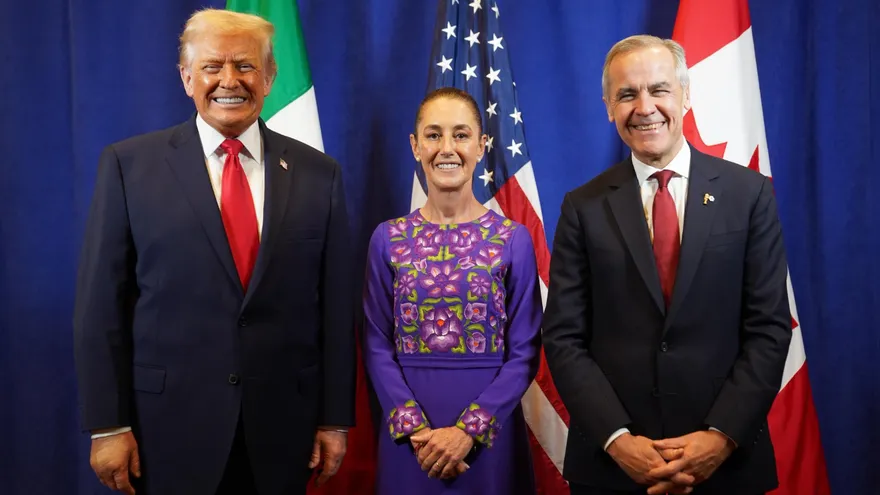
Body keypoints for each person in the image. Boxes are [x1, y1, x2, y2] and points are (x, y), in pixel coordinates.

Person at [73, 9, 355, 495]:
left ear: (269, 77)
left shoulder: (318, 174)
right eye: (212, 66)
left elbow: (334, 307)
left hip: (282, 431)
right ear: (186, 77)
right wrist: (108, 425)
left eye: (245, 66)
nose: (230, 80)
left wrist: (334, 419)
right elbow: (101, 307)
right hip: (165, 432)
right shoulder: (128, 166)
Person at [542, 35, 792, 495]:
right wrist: (618, 442)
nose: (644, 107)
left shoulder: (749, 195)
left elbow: (770, 329)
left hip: (726, 465)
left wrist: (719, 438)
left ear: (685, 95)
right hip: (612, 468)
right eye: (626, 94)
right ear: (608, 106)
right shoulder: (582, 207)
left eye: (659, 89)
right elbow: (563, 338)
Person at [362, 87, 543, 494]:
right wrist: (414, 428)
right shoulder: (387, 239)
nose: (447, 148)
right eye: (433, 134)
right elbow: (375, 343)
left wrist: (469, 431)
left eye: (461, 135)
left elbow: (526, 351)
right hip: (410, 439)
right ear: (415, 146)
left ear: (482, 146)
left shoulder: (512, 240)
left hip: (487, 436)